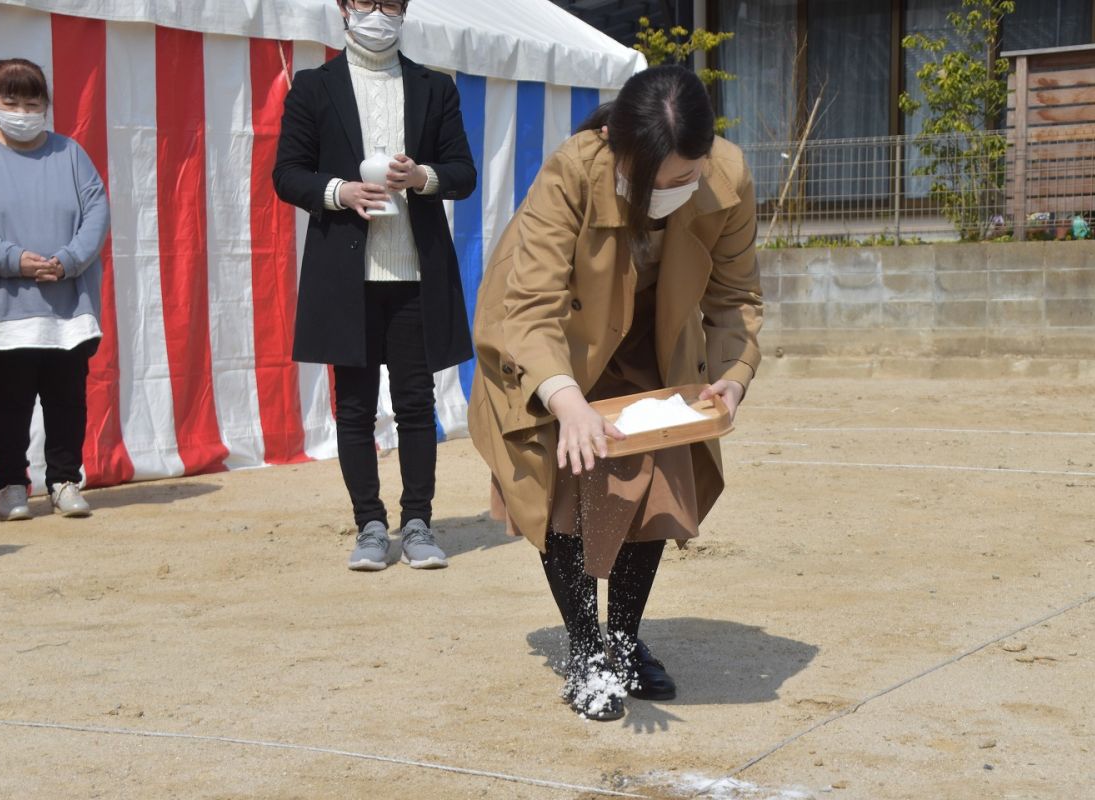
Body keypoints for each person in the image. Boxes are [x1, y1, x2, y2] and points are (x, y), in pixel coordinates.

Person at [468, 66, 762, 720]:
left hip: (648, 343)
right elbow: (531, 305)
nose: (674, 193)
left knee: (656, 476)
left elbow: (737, 301)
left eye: (686, 179)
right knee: (560, 482)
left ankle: (623, 641)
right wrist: (566, 400)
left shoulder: (728, 176)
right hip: (545, 343)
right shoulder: (573, 169)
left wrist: (733, 378)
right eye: (655, 181)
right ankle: (584, 649)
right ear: (615, 144)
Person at [274, 0, 476, 571]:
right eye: (365, 1)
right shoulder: (314, 87)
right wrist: (340, 191)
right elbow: (286, 173)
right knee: (355, 407)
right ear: (343, 8)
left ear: (405, 10)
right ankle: (369, 523)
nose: (377, 13)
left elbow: (463, 172)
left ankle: (417, 522)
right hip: (345, 273)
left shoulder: (435, 88)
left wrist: (422, 177)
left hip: (415, 270)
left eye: (390, 3)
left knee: (416, 403)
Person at [0, 58, 108, 522]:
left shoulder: (70, 153)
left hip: (67, 308)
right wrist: (13, 259)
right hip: (6, 308)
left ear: (46, 105)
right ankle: (12, 486)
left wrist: (69, 260)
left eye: (32, 101)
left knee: (67, 401)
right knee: (8, 403)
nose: (22, 109)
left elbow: (96, 211)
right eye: (11, 100)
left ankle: (63, 481)